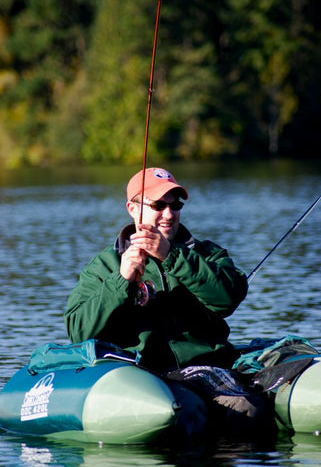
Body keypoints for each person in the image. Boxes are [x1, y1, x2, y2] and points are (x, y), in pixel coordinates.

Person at [64, 167, 275, 438]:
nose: (168, 213)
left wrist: (171, 256)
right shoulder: (105, 264)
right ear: (132, 208)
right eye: (158, 204)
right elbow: (79, 331)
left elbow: (227, 299)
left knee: (247, 409)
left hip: (208, 370)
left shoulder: (208, 254)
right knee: (187, 413)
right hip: (142, 379)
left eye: (175, 205)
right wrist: (120, 281)